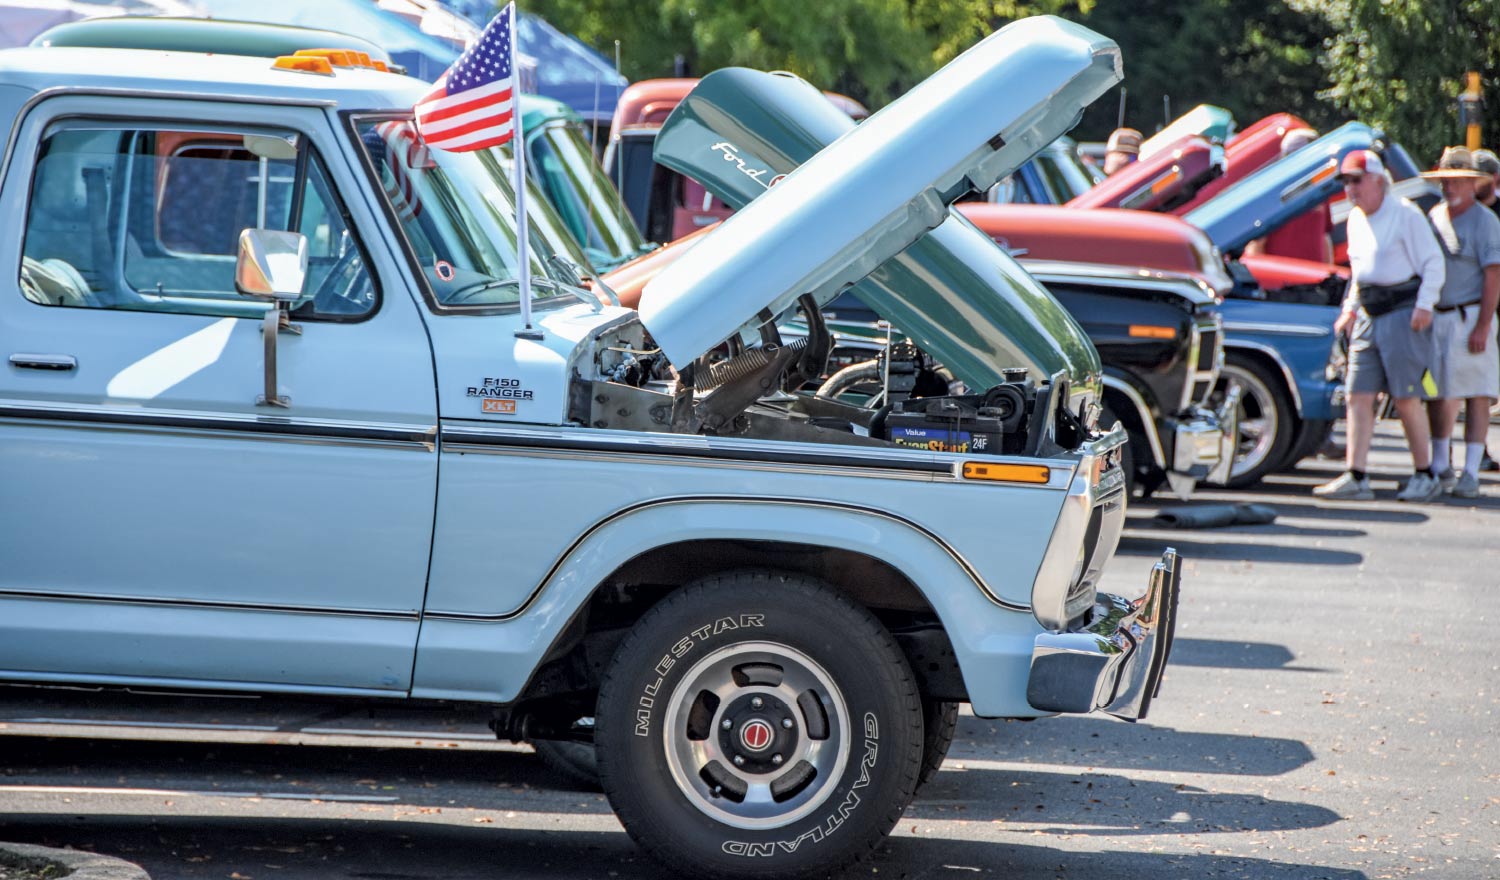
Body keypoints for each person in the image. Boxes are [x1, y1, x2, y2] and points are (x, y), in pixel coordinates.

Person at [1313, 149, 1447, 501]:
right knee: (1358, 395)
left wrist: (1425, 304)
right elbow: (1360, 272)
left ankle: (1425, 474)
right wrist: (1349, 308)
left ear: (1378, 179)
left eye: (1356, 180)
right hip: (1369, 314)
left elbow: (1433, 262)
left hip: (1402, 312)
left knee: (1406, 397)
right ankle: (1356, 475)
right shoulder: (1357, 218)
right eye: (1345, 182)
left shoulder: (1405, 214)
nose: (1350, 189)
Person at [1420, 147, 1500, 498]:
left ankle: (1470, 471)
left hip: (1470, 314)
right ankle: (1440, 464)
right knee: (1437, 392)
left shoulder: (1486, 222)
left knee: (1477, 394)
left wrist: (1483, 325)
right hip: (1438, 315)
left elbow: (1492, 276)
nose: (1449, 187)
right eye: (1445, 181)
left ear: (1472, 184)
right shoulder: (1435, 215)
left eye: (1456, 181)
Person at [1245, 128, 1333, 263]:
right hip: (1283, 279)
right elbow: (1255, 246)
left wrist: (1329, 275)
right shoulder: (1271, 194)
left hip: (1314, 278)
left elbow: (1324, 237)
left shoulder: (1321, 189)